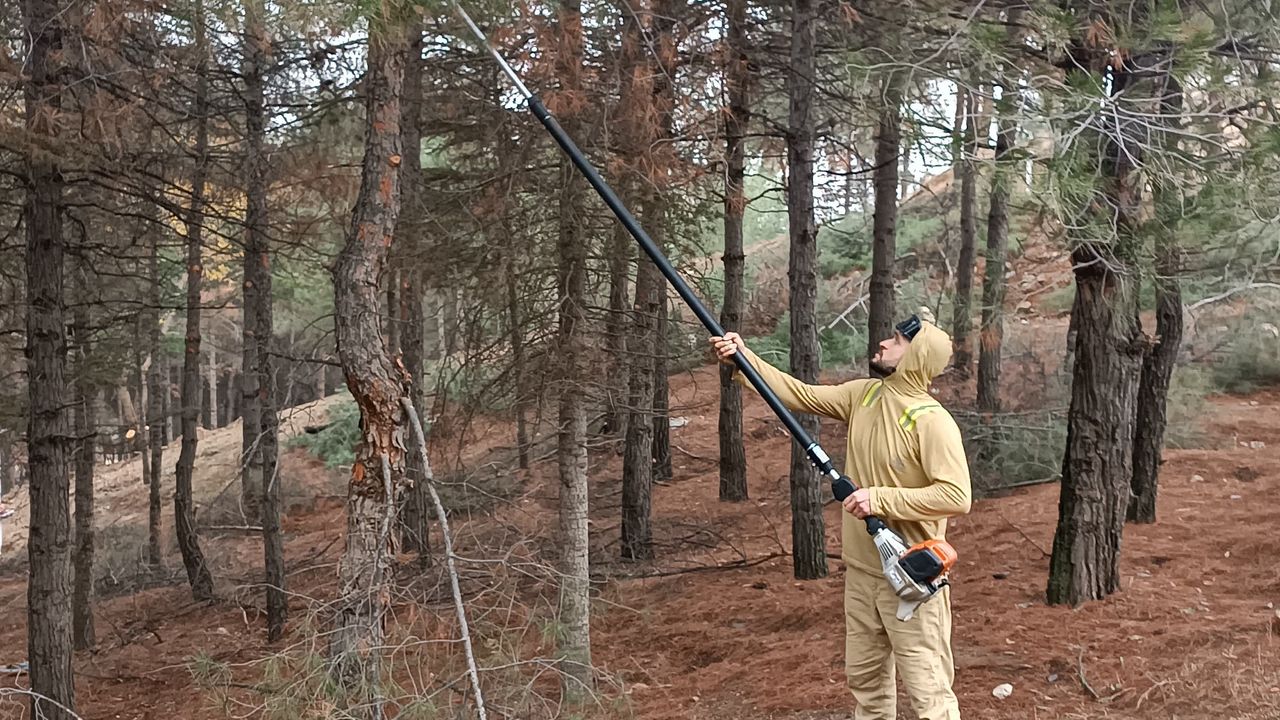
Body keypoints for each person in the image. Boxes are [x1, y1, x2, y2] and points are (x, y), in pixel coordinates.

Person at [710, 308, 971, 720]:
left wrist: (878, 499)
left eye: (897, 341)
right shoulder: (865, 395)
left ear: (917, 357)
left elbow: (956, 496)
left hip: (911, 579)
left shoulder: (932, 422)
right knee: (867, 687)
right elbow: (800, 395)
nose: (883, 343)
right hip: (863, 575)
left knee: (930, 695)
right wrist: (744, 358)